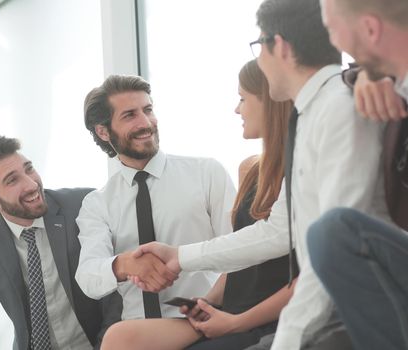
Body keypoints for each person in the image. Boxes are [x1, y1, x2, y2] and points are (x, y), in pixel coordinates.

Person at [132, 0, 390, 349]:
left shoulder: (338, 110)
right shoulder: (313, 114)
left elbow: (331, 255)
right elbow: (278, 231)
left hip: (358, 312)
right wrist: (181, 257)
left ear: (279, 46)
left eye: (259, 48)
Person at [99, 60, 297, 350]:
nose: (236, 109)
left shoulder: (299, 170)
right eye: (129, 115)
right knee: (119, 337)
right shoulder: (250, 169)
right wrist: (206, 302)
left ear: (271, 102)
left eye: (242, 98)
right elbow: (236, 257)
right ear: (104, 131)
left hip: (261, 314)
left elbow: (304, 274)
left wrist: (234, 321)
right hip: (228, 307)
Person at [75, 75, 236, 324]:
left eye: (148, 110)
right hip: (140, 335)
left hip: (207, 321)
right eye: (129, 115)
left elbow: (238, 252)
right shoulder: (97, 204)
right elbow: (87, 277)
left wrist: (208, 304)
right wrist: (125, 264)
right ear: (103, 131)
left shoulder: (207, 173)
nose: (146, 123)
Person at [306, 1, 408, 349]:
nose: (334, 44)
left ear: (370, 29)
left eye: (332, 30)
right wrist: (367, 73)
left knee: (334, 232)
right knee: (325, 341)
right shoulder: (392, 90)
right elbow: (353, 71)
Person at [0, 136, 103, 350]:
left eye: (29, 169)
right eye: (12, 180)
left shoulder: (82, 205)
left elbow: (118, 292)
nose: (32, 184)